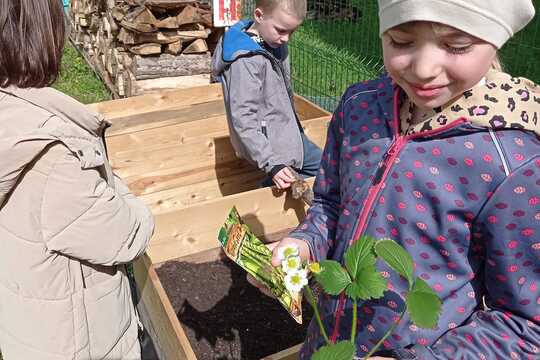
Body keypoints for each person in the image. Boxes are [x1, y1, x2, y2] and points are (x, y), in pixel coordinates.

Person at [251, 0, 540, 359]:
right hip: (329, 340)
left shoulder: (513, 163)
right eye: (402, 41)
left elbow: (525, 324)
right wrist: (306, 242)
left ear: (496, 38)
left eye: (457, 45)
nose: (423, 69)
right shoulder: (359, 108)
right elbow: (330, 202)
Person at [0, 1, 154, 359]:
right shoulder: (53, 155)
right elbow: (127, 234)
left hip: (32, 328)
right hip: (81, 343)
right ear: (43, 37)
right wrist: (127, 196)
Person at [212, 0, 322, 189]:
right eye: (281, 30)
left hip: (286, 131)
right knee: (317, 171)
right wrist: (271, 163)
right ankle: (261, 198)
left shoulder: (272, 40)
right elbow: (243, 117)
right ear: (259, 16)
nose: (286, 38)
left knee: (326, 167)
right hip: (270, 145)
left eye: (291, 32)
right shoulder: (245, 61)